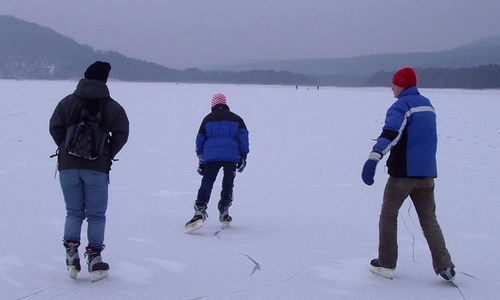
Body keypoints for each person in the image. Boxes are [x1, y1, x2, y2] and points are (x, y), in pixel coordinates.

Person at [361, 67, 455, 281]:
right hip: (427, 174)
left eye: (394, 83)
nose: (392, 87)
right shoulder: (427, 105)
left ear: (402, 84)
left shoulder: (401, 106)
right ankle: (444, 265)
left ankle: (386, 263)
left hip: (403, 175)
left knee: (388, 215)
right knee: (429, 220)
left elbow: (391, 133)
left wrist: (374, 157)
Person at [49, 61, 129, 281]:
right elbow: (122, 133)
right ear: (105, 80)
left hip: (68, 167)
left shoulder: (67, 103)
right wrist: (106, 153)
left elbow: (54, 127)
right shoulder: (113, 107)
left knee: (73, 211)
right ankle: (94, 258)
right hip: (97, 168)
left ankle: (71, 252)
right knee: (96, 214)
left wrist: (66, 148)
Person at [185, 93, 250, 234]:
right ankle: (224, 210)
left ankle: (200, 210)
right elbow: (243, 139)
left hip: (211, 157)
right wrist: (243, 156)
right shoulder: (237, 119)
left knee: (207, 183)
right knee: (228, 183)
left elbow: (199, 141)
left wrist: (201, 159)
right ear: (225, 104)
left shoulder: (207, 119)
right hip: (231, 157)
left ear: (212, 105)